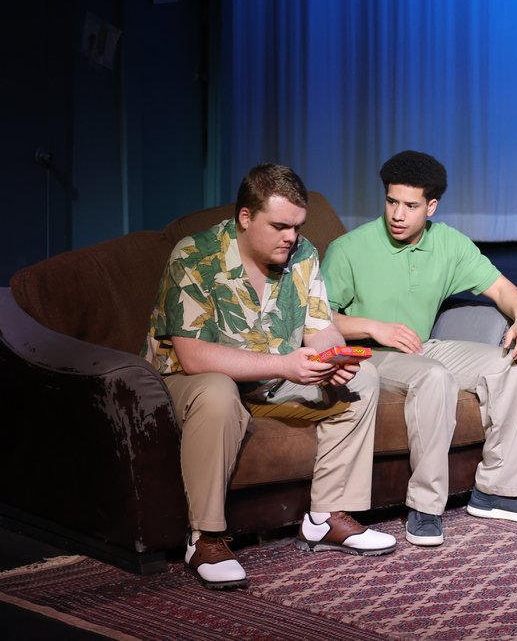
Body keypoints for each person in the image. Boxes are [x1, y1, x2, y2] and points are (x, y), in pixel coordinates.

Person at [144, 163, 396, 590]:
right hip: (191, 383)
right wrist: (284, 364)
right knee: (217, 390)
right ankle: (203, 537)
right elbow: (192, 355)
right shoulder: (195, 256)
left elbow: (320, 326)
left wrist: (334, 355)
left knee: (362, 380)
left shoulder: (303, 255)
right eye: (280, 226)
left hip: (269, 381)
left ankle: (325, 518)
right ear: (245, 218)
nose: (290, 237)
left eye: (296, 227)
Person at [320, 150, 517, 547]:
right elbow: (318, 320)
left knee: (508, 364)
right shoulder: (349, 249)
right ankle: (425, 508)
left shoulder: (448, 243)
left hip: (422, 346)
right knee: (434, 377)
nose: (398, 214)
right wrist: (373, 327)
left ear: (431, 206)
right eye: (391, 201)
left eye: (410, 206)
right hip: (367, 354)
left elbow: (502, 289)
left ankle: (498, 491)